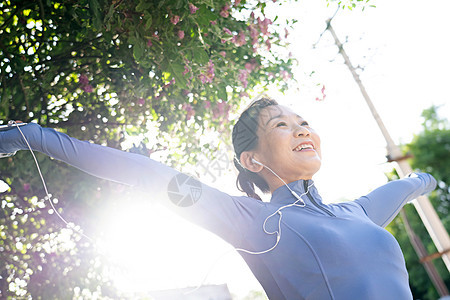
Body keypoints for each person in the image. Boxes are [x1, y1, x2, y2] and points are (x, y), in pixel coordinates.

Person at [0, 97, 436, 299]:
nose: (302, 128)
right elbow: (145, 173)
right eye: (281, 125)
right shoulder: (249, 219)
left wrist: (431, 180)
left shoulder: (358, 211)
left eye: (303, 121)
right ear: (251, 159)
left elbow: (411, 184)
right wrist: (36, 137)